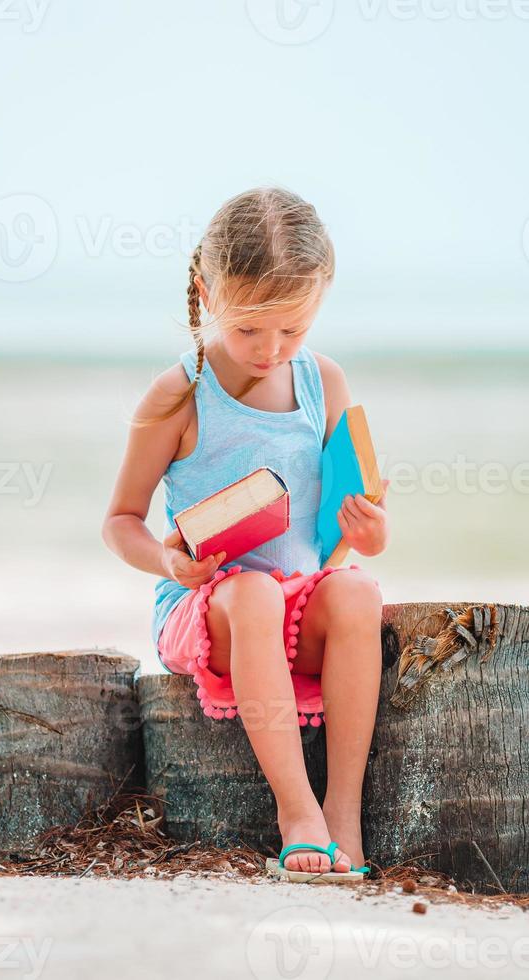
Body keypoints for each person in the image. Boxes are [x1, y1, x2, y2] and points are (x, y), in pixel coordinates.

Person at [102, 186, 390, 878]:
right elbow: (120, 522)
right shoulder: (178, 394)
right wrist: (170, 564)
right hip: (210, 606)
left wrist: (369, 530)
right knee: (255, 593)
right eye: (249, 329)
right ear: (208, 291)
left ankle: (342, 809)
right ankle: (298, 810)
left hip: (296, 596)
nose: (271, 349)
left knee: (357, 592)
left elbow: (339, 527)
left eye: (292, 329)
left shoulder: (324, 382)